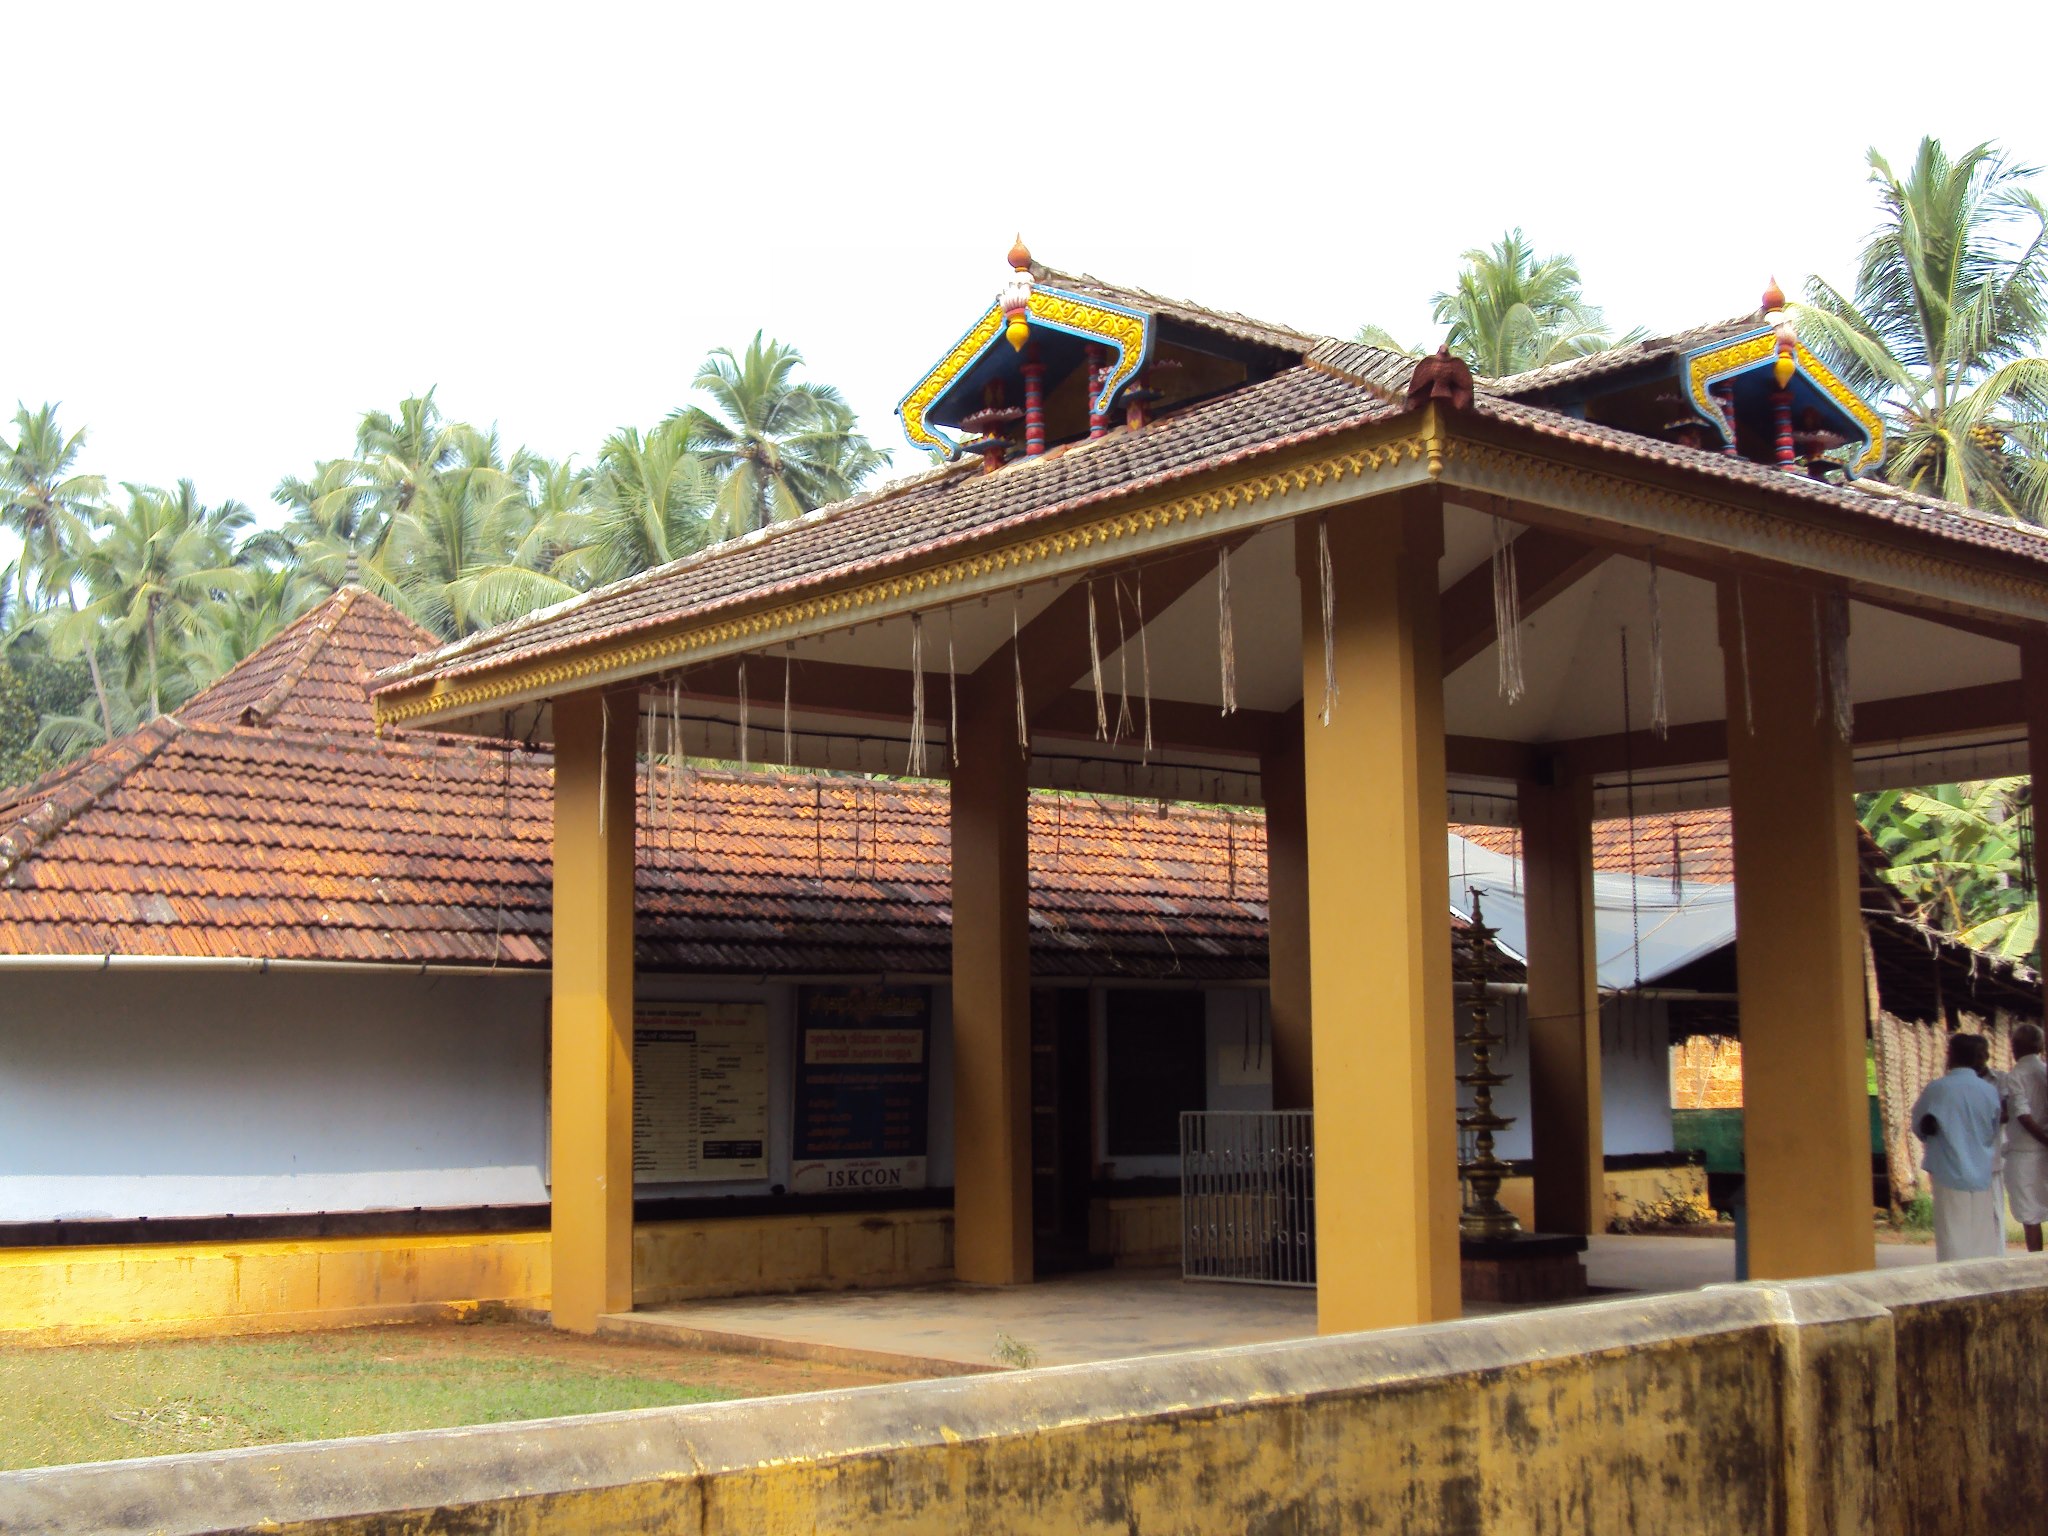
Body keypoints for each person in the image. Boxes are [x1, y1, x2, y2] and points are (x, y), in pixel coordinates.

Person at [1911, 1032, 2005, 1262]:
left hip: (1948, 1169)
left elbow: (1918, 1126)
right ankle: (1981, 1282)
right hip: (1982, 1171)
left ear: (1951, 1055)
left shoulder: (1937, 1089)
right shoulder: (1989, 1091)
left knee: (1952, 1233)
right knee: (1980, 1233)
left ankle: (1955, 1284)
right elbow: (1994, 1128)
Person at [2002, 1023, 2048, 1253]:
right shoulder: (2044, 1071)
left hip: (2025, 1154)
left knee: (2031, 1218)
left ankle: (2037, 1268)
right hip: (2041, 1151)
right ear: (2040, 1046)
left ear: (2014, 1047)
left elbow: (2023, 1116)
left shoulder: (2015, 1076)